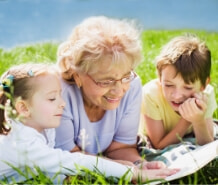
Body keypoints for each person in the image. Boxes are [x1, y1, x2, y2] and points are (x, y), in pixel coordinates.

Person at [0, 63, 178, 183]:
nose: (62, 103)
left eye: (60, 95)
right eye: (52, 98)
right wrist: (133, 174)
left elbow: (50, 168)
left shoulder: (41, 128)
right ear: (23, 108)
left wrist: (124, 165)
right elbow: (71, 162)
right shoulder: (22, 142)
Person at [54, 15, 174, 171]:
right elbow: (68, 158)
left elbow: (121, 147)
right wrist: (121, 169)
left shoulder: (132, 86)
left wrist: (140, 165)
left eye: (126, 76)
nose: (119, 90)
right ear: (78, 76)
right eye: (106, 81)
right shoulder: (58, 94)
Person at [139, 35, 217, 150]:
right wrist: (186, 119)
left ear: (203, 85)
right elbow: (158, 145)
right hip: (157, 140)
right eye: (169, 85)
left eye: (188, 87)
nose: (176, 95)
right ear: (160, 78)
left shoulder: (206, 94)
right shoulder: (151, 95)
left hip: (187, 136)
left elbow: (207, 147)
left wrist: (199, 121)